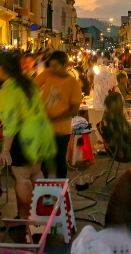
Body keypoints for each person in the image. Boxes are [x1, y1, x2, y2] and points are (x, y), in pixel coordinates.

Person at [0, 52, 56, 218]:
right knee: (36, 172)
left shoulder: (8, 88)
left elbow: (10, 122)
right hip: (40, 132)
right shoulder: (28, 82)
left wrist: (6, 149)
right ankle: (43, 212)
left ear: (1, 68)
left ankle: (27, 217)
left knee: (22, 178)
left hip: (23, 137)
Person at [35, 50, 82, 178]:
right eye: (50, 65)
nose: (52, 69)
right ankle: (46, 192)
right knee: (44, 163)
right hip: (45, 128)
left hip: (62, 130)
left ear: (65, 65)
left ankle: (60, 192)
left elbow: (74, 110)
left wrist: (54, 117)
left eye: (55, 66)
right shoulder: (48, 73)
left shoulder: (72, 83)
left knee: (59, 162)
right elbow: (32, 86)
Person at [99, 92, 131, 161]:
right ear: (118, 105)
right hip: (127, 152)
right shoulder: (116, 121)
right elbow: (130, 137)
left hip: (120, 150)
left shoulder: (107, 119)